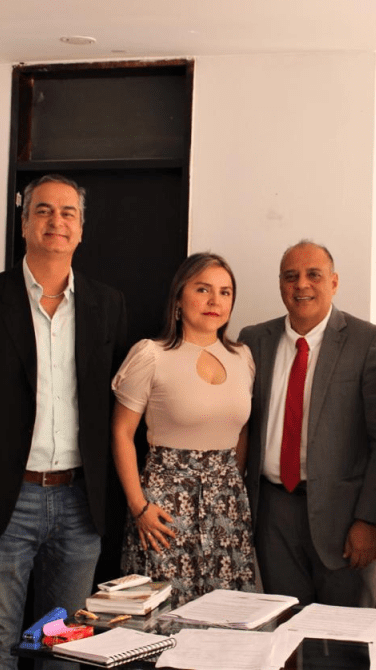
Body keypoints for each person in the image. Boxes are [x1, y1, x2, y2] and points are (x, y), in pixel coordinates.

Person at [0, 175, 127, 669]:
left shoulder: (107, 304)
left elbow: (115, 400)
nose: (56, 221)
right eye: (43, 210)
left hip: (80, 502)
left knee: (64, 645)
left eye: (68, 213)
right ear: (23, 224)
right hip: (7, 498)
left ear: (81, 229)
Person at [240, 240, 376, 607]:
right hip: (272, 512)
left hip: (345, 518)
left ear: (334, 282)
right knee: (285, 625)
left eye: (314, 275)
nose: (301, 285)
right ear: (280, 284)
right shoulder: (254, 340)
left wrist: (370, 520)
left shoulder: (368, 341)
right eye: (290, 276)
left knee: (346, 631)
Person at [111, 253, 255, 605]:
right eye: (203, 289)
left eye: (225, 292)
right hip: (164, 508)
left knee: (226, 613)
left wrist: (229, 486)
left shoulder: (243, 357)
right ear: (178, 298)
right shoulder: (151, 354)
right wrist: (139, 506)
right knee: (165, 613)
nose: (214, 301)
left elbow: (241, 432)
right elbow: (121, 433)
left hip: (227, 507)